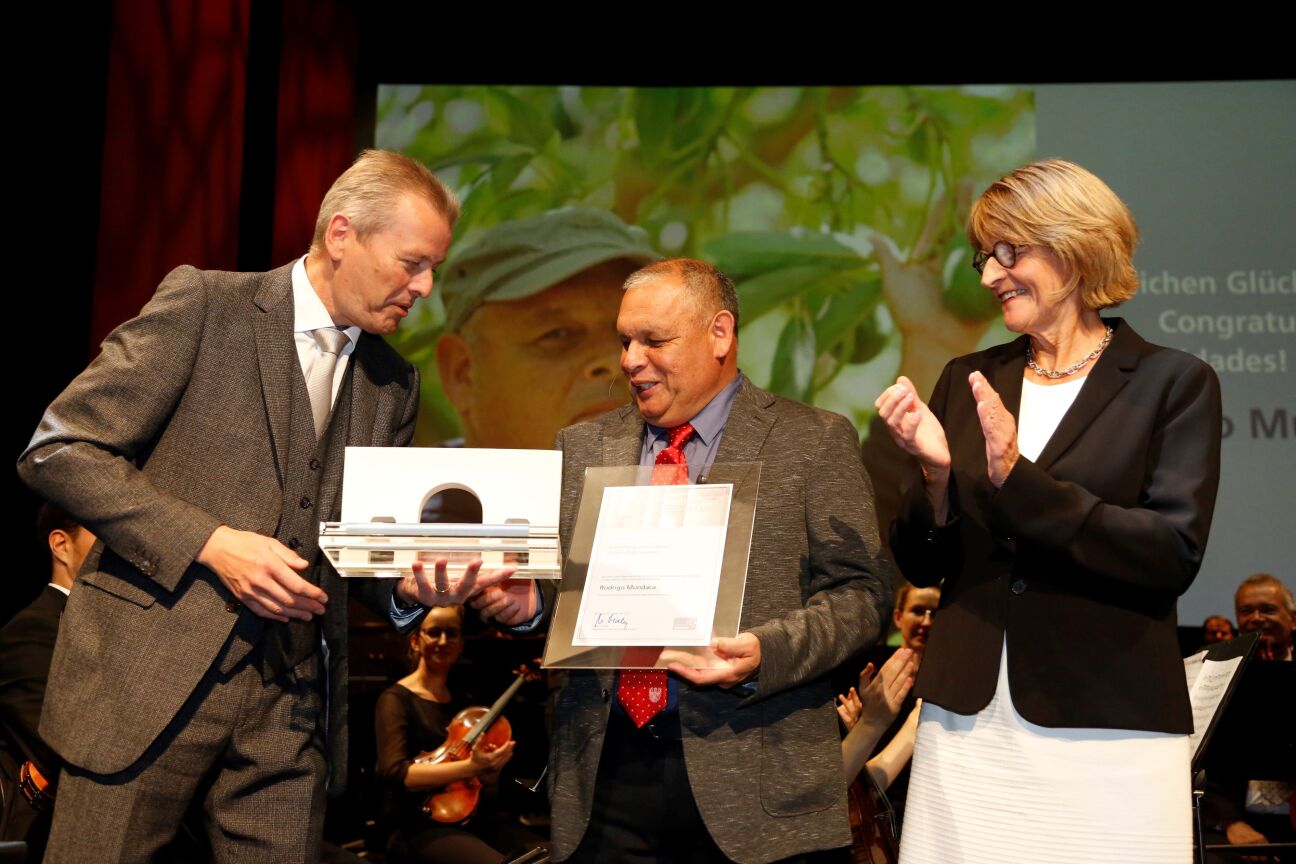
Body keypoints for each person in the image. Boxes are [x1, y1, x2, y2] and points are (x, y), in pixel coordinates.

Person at [16, 149, 510, 861]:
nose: (425, 287)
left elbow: (352, 549)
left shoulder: (393, 384)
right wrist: (210, 540)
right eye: (411, 263)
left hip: (289, 706)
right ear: (341, 236)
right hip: (143, 688)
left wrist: (410, 587)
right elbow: (59, 449)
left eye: (432, 267)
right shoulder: (206, 307)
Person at [477, 258, 893, 863]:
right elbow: (563, 596)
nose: (629, 360)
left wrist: (765, 651)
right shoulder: (583, 445)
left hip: (757, 779)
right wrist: (529, 605)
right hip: (604, 777)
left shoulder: (812, 442)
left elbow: (861, 597)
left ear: (720, 334)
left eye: (654, 340)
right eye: (625, 340)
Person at [876, 159, 1222, 863]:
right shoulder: (968, 379)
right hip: (968, 727)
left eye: (1009, 253)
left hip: (1108, 729)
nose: (988, 276)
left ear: (1074, 246)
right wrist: (937, 479)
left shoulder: (1172, 382)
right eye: (983, 257)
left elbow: (1169, 553)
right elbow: (923, 561)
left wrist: (1017, 479)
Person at [435, 207, 659, 450]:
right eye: (558, 335)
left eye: (638, 336)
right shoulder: (393, 487)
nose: (618, 362)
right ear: (462, 373)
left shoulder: (696, 481)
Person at [374, 604, 545, 864]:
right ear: (416, 641)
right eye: (434, 632)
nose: (443, 641)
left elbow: (484, 789)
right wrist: (469, 767)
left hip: (472, 817)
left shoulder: (464, 701)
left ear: (461, 643)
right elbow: (396, 773)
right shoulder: (395, 700)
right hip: (418, 823)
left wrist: (489, 775)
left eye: (452, 633)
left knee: (549, 853)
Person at [0, 506, 95, 858]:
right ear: (61, 544)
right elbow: (64, 745)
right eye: (104, 535)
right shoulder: (34, 629)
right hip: (62, 842)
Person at [1235, 573, 1293, 662]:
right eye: (1246, 611)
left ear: (1293, 619)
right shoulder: (1216, 667)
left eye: (1268, 610)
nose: (1256, 618)